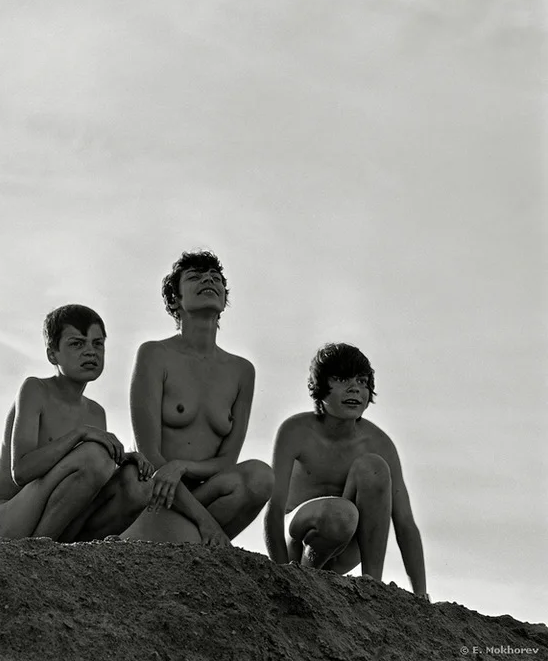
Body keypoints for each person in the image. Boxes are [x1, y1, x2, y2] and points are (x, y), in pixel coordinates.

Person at [121, 250, 273, 545]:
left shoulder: (242, 370)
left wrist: (182, 466)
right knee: (190, 538)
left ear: (225, 299)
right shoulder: (155, 354)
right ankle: (193, 537)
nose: (208, 280)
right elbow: (150, 455)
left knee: (260, 476)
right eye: (195, 277)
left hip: (204, 492)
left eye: (216, 278)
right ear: (174, 300)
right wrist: (206, 522)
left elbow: (227, 460)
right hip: (158, 493)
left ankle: (195, 539)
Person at [264, 343, 429, 599]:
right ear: (320, 386)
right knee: (340, 513)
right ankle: (304, 575)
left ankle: (371, 586)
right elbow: (274, 509)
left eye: (362, 381)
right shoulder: (295, 431)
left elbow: (405, 522)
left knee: (373, 467)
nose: (355, 389)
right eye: (342, 379)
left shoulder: (379, 443)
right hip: (297, 543)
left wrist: (421, 594)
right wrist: (281, 574)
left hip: (346, 546)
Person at [0, 305, 155, 541]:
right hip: (11, 517)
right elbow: (22, 472)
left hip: (58, 517)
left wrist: (124, 459)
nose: (90, 352)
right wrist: (80, 434)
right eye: (77, 344)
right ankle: (37, 549)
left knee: (137, 482)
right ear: (52, 354)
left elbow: (89, 479)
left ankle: (73, 551)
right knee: (95, 454)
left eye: (97, 344)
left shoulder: (96, 412)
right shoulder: (35, 390)